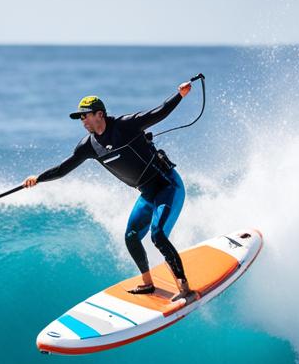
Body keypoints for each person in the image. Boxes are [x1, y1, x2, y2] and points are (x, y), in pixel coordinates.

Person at [24, 81, 195, 301]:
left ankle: (185, 288)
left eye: (85, 115)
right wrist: (38, 179)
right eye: (80, 117)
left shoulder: (125, 125)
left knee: (158, 235)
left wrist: (180, 95)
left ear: (100, 114)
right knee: (131, 237)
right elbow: (63, 169)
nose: (82, 121)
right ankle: (148, 283)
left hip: (167, 185)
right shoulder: (88, 146)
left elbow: (158, 112)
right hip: (147, 193)